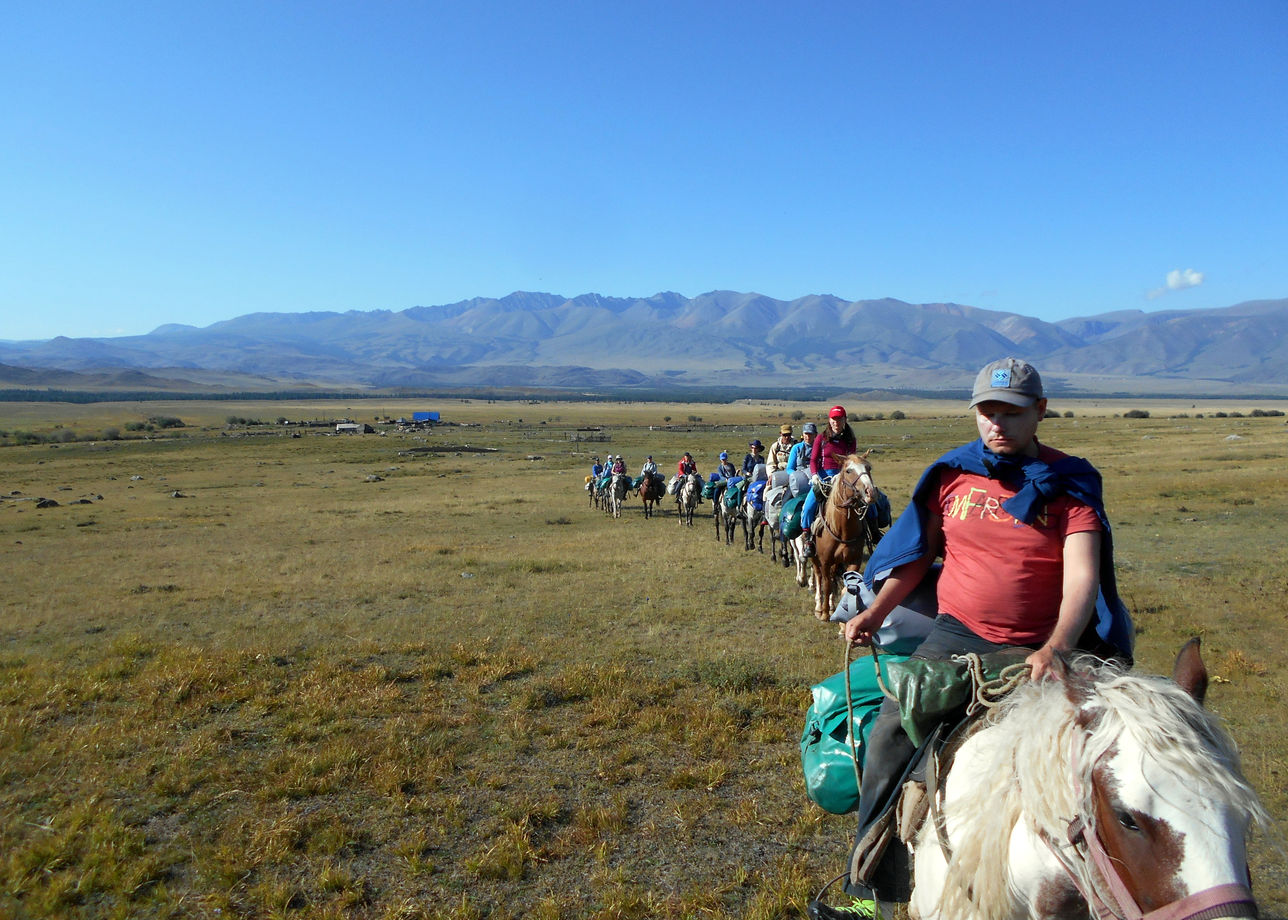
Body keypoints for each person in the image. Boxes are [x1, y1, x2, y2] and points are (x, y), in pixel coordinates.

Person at [807, 358, 1133, 920]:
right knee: (888, 731)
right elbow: (916, 559)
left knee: (1115, 760)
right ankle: (870, 890)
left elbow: (1082, 579)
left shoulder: (1070, 484)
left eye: (1010, 411)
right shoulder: (951, 474)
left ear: (1040, 411)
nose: (997, 424)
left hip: (1043, 642)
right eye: (987, 411)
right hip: (955, 634)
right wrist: (875, 610)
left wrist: (1056, 646)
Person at [799, 407, 858, 555]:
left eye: (839, 419)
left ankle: (872, 533)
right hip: (824, 478)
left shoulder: (850, 440)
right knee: (808, 507)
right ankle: (808, 539)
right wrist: (814, 476)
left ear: (844, 420)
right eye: (834, 419)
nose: (836, 422)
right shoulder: (821, 438)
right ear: (829, 421)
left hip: (844, 478)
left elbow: (852, 461)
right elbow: (813, 460)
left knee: (866, 502)